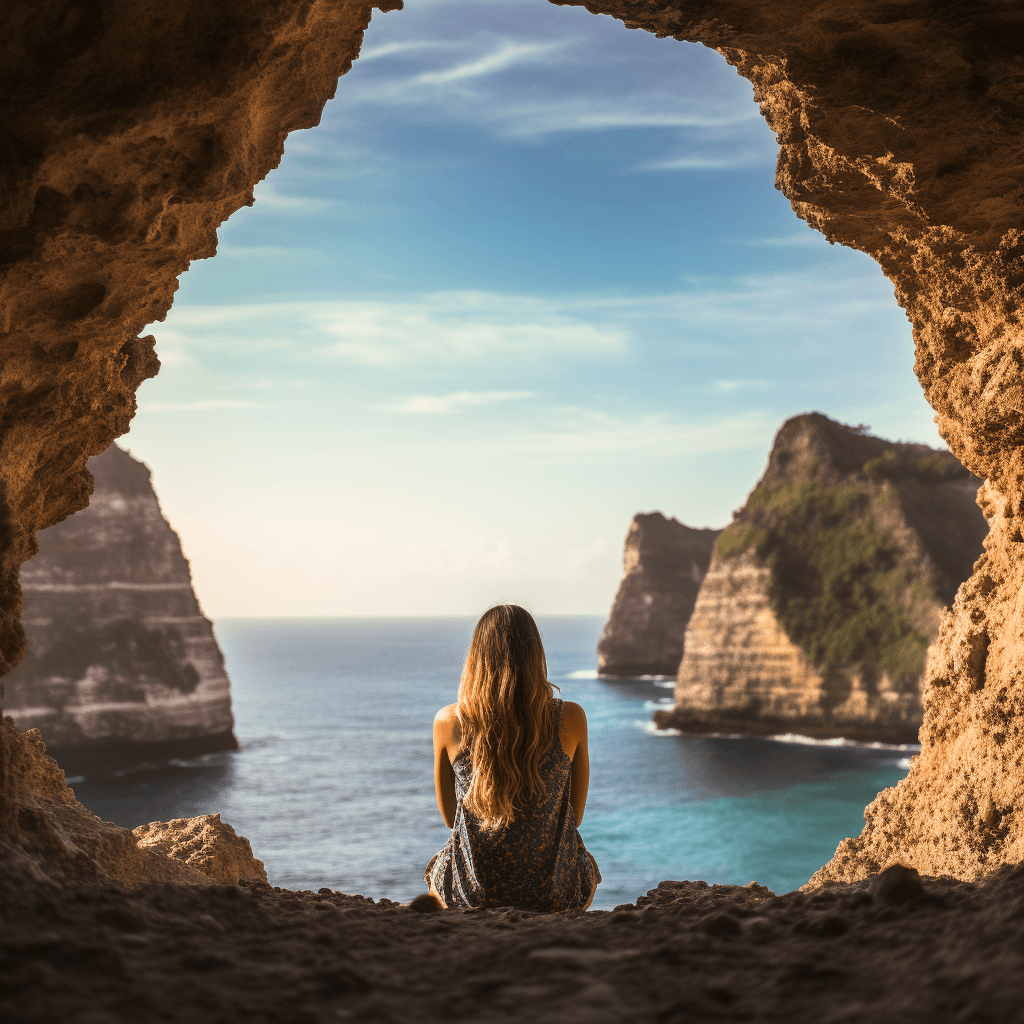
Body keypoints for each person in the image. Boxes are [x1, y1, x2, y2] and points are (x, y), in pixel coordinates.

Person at [423, 604, 600, 911]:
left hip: (475, 897)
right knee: (586, 862)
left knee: (440, 863)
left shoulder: (448, 722)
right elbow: (576, 816)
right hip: (554, 896)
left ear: (477, 656)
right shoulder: (570, 718)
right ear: (536, 656)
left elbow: (452, 819)